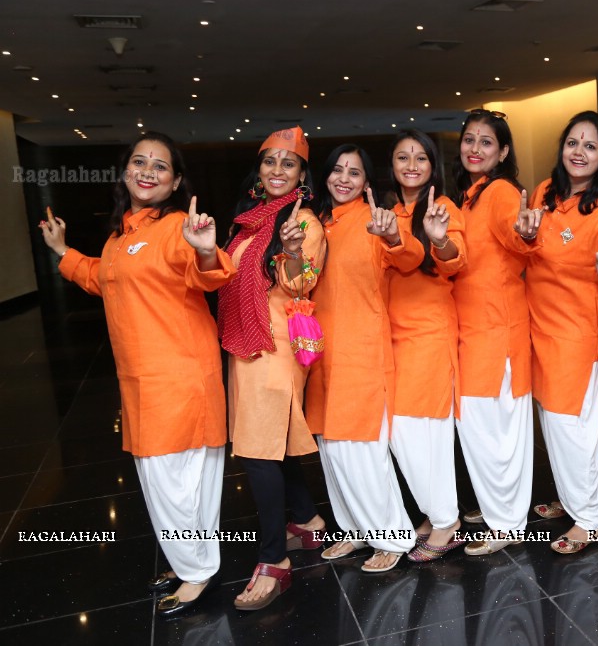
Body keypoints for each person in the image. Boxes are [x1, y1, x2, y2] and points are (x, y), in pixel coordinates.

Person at [39, 132, 234, 617]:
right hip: (146, 378)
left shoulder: (174, 230)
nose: (147, 171)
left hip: (179, 376)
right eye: (139, 162)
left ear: (175, 182)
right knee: (178, 483)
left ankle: (195, 572)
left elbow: (209, 273)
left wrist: (206, 249)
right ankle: (193, 562)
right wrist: (63, 251)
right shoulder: (121, 235)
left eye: (160, 166)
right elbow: (106, 279)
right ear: (126, 172)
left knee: (175, 483)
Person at [218, 127, 327, 609]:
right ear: (259, 170)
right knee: (270, 440)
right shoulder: (249, 219)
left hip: (276, 343)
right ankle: (306, 520)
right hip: (247, 340)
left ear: (303, 174)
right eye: (270, 162)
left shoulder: (304, 221)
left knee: (259, 450)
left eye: (289, 163)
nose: (278, 170)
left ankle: (273, 560)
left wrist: (295, 248)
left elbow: (302, 284)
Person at [521, 111, 598, 554]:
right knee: (554, 425)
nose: (579, 151)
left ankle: (589, 518)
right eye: (573, 142)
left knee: (576, 427)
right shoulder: (545, 194)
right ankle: (573, 499)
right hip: (538, 328)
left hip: (574, 336)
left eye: (591, 146)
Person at [305, 144, 422, 572]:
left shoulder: (375, 221)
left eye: (354, 173)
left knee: (361, 448)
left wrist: (391, 235)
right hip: (320, 352)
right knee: (332, 448)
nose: (344, 179)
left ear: (367, 183)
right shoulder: (317, 223)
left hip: (360, 350)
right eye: (337, 170)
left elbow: (409, 255)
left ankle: (390, 534)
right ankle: (354, 528)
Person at [450, 109, 537, 555]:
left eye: (487, 142)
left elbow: (516, 232)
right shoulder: (469, 196)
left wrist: (524, 233)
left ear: (502, 151)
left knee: (498, 428)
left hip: (496, 328)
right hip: (473, 328)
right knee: (483, 428)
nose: (475, 148)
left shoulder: (501, 191)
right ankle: (497, 506)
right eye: (470, 139)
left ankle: (507, 522)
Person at [384, 130, 468, 562]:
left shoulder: (443, 208)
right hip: (391, 335)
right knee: (407, 433)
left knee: (422, 432)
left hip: (428, 334)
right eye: (403, 157)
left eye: (420, 157)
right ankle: (436, 514)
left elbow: (456, 259)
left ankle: (447, 520)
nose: (411, 165)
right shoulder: (386, 212)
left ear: (433, 165)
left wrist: (438, 238)